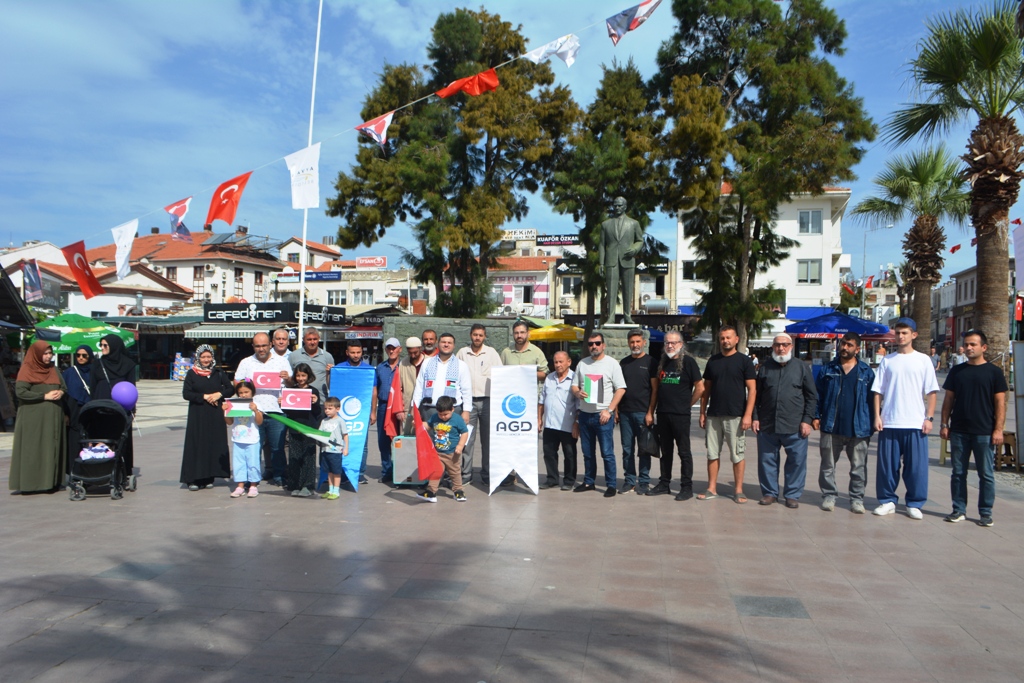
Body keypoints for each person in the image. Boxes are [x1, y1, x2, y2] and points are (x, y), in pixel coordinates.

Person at [871, 318, 939, 519]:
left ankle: (915, 503)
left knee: (916, 468)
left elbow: (932, 391)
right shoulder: (888, 360)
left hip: (915, 423)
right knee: (887, 467)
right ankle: (887, 500)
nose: (901, 336)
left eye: (905, 333)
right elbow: (877, 391)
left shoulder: (923, 360)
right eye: (898, 333)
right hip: (890, 421)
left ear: (914, 335)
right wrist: (877, 415)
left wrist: (929, 418)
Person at [940, 329, 1007, 527]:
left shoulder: (994, 372)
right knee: (958, 473)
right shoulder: (957, 371)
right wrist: (945, 424)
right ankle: (958, 509)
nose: (968, 348)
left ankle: (985, 512)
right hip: (959, 430)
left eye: (973, 345)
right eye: (967, 344)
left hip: (984, 432)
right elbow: (949, 399)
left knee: (985, 473)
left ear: (983, 347)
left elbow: (1000, 403)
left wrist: (998, 429)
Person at [813, 332, 876, 514]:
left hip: (859, 428)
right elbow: (818, 395)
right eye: (842, 344)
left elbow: (874, 400)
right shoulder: (828, 369)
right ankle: (829, 495)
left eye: (849, 345)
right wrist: (816, 416)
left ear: (857, 349)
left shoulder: (866, 372)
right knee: (827, 466)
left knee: (858, 467)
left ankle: (856, 499)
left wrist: (873, 422)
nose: (844, 348)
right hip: (831, 426)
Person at [752, 333, 817, 508]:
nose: (781, 348)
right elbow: (756, 396)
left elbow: (812, 396)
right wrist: (755, 417)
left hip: (795, 425)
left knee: (796, 461)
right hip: (768, 424)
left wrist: (807, 420)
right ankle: (769, 493)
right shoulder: (765, 368)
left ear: (791, 346)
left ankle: (792, 494)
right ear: (773, 347)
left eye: (785, 345)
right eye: (777, 345)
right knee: (767, 460)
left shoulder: (802, 367)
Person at [698, 326, 756, 502]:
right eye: (722, 338)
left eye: (728, 338)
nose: (725, 341)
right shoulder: (713, 361)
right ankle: (712, 488)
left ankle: (738, 490)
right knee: (712, 454)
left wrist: (748, 415)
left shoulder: (744, 362)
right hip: (714, 414)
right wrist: (702, 412)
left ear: (736, 339)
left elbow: (752, 390)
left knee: (737, 454)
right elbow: (705, 390)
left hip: (736, 415)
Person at [649, 331, 704, 500]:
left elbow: (700, 388)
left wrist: (687, 404)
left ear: (681, 344)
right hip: (663, 414)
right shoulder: (663, 362)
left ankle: (686, 487)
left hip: (681, 415)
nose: (670, 346)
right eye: (667, 343)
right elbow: (657, 389)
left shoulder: (688, 362)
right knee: (666, 451)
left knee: (684, 452)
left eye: (673, 343)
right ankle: (664, 483)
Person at [571, 332, 626, 497]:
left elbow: (621, 389)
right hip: (585, 415)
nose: (593, 346)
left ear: (603, 345)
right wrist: (578, 393)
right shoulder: (582, 363)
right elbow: (574, 386)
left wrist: (609, 410)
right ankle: (589, 481)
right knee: (587, 452)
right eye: (590, 344)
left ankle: (611, 484)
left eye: (597, 343)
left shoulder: (612, 364)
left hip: (603, 416)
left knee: (607, 452)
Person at [9, 341, 66, 494]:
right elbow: (21, 392)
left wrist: (60, 392)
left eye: (50, 353)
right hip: (33, 419)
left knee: (50, 448)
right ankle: (31, 483)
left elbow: (63, 386)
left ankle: (51, 482)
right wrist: (44, 396)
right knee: (33, 449)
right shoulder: (27, 369)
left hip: (52, 418)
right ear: (36, 354)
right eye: (45, 354)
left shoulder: (53, 369)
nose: (48, 357)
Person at [235, 332, 292, 486]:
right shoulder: (246, 362)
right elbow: (237, 383)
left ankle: (280, 476)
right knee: (253, 447)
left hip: (276, 411)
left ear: (270, 345)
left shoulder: (282, 361)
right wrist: (246, 383)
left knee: (277, 447)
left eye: (264, 345)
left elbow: (292, 385)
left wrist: (287, 379)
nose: (261, 349)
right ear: (253, 346)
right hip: (252, 412)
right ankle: (251, 478)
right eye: (258, 346)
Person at [180, 344, 234, 491]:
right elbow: (186, 394)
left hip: (215, 414)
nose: (206, 360)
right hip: (198, 414)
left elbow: (230, 388)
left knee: (212, 444)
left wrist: (219, 394)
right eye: (203, 357)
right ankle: (193, 479)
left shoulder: (218, 372)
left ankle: (209, 476)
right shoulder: (192, 373)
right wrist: (204, 397)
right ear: (198, 357)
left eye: (208, 356)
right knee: (197, 444)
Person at [456, 324, 503, 486]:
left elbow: (500, 375)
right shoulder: (462, 353)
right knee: (467, 439)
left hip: (488, 401)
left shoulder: (491, 353)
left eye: (480, 335)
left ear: (485, 336)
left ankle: (488, 474)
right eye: (475, 335)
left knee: (488, 440)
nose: (477, 338)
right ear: (470, 335)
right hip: (468, 403)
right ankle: (466, 474)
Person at [89, 334, 137, 473]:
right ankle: (100, 468)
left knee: (120, 438)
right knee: (101, 437)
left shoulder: (128, 364)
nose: (102, 348)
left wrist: (132, 407)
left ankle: (121, 469)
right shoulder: (98, 364)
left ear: (114, 346)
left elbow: (131, 387)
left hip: (120, 408)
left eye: (105, 345)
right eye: (101, 345)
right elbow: (93, 386)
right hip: (100, 408)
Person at [617, 329, 658, 494]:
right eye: (632, 342)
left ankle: (644, 481)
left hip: (643, 413)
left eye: (638, 341)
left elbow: (655, 390)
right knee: (627, 449)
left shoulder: (651, 362)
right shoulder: (624, 363)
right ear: (628, 343)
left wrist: (650, 412)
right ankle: (629, 481)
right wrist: (617, 410)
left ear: (644, 343)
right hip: (625, 413)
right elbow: (619, 388)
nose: (635, 345)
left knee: (644, 449)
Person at [599, 196, 645, 326]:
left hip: (628, 259)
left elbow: (640, 240)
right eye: (615, 205)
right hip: (611, 260)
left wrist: (635, 250)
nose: (617, 207)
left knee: (628, 288)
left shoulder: (633, 223)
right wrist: (601, 263)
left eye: (620, 205)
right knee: (611, 289)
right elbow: (602, 244)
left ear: (625, 207)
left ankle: (628, 316)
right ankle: (611, 317)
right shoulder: (606, 224)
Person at [412, 332, 472, 427]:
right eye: (443, 342)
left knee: (450, 440)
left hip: (453, 411)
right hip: (429, 410)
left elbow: (467, 390)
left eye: (449, 342)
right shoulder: (427, 363)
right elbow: (419, 387)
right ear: (438, 344)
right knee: (429, 441)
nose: (446, 344)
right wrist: (414, 408)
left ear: (454, 346)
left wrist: (466, 411)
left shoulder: (462, 365)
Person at [539, 351, 579, 490]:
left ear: (569, 362)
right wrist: (539, 419)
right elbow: (542, 401)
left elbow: (579, 405)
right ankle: (552, 479)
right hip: (550, 424)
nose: (558, 365)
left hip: (567, 425)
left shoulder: (575, 379)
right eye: (555, 362)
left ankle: (569, 481)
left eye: (561, 362)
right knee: (549, 453)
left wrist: (576, 423)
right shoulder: (549, 378)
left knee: (569, 454)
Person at [417, 395, 469, 503]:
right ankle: (431, 492)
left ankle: (458, 490)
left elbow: (464, 432)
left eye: (446, 414)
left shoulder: (457, 419)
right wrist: (419, 424)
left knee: (455, 472)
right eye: (440, 414)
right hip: (438, 453)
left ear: (452, 409)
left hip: (452, 453)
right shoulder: (435, 417)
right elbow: (428, 425)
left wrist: (460, 445)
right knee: (435, 472)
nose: (443, 417)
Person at [283, 363, 323, 497]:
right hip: (294, 428)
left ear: (308, 376)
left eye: (303, 375)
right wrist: (282, 403)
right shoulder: (291, 390)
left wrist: (316, 402)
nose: (300, 378)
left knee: (308, 457)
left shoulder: (313, 391)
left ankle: (308, 485)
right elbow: (287, 411)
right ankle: (295, 484)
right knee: (294, 457)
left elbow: (317, 412)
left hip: (309, 428)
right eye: (298, 375)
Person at [370, 338, 402, 484]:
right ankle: (387, 471)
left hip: (399, 407)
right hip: (383, 406)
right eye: (389, 348)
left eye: (394, 348)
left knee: (400, 440)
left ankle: (400, 472)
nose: (391, 351)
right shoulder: (380, 368)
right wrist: (373, 411)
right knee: (383, 441)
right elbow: (374, 390)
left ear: (399, 349)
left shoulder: (405, 366)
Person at [225, 380, 262, 498]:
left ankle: (253, 485)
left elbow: (259, 422)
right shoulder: (234, 404)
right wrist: (225, 411)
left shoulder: (256, 403)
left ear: (252, 392)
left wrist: (255, 410)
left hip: (252, 439)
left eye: (246, 392)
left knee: (253, 462)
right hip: (238, 439)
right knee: (238, 463)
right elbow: (229, 422)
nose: (243, 395)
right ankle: (240, 486)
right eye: (240, 392)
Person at [340, 341, 370, 485]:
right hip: (343, 412)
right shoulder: (339, 368)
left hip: (362, 411)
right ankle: (343, 472)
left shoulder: (368, 369)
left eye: (358, 352)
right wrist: (329, 373)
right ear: (347, 353)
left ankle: (360, 473)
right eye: (353, 352)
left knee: (362, 443)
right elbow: (332, 385)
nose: (356, 355)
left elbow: (374, 391)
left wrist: (373, 411)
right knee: (342, 441)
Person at [63, 345, 94, 471]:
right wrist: (65, 414)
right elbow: (64, 394)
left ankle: (90, 470)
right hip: (74, 410)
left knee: (90, 437)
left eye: (84, 355)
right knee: (74, 439)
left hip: (90, 410)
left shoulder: (94, 372)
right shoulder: (70, 373)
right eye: (78, 355)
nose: (81, 358)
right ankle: (74, 470)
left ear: (90, 356)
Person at [319, 396, 350, 500]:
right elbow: (319, 434)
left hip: (336, 451)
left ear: (337, 409)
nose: (327, 411)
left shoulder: (340, 421)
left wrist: (346, 448)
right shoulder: (324, 421)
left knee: (336, 471)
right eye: (325, 408)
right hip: (325, 450)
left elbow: (345, 435)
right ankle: (330, 489)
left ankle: (336, 491)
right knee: (329, 471)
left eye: (330, 408)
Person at [290, 326, 335, 397]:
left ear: (319, 339)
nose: (312, 342)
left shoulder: (327, 356)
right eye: (309, 339)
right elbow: (291, 378)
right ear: (303, 340)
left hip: (321, 399)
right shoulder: (293, 356)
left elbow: (332, 381)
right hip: (299, 398)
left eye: (315, 339)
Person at [394, 337, 425, 436]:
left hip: (426, 407)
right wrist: (399, 409)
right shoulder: (403, 363)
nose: (413, 355)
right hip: (408, 407)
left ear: (420, 348)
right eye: (410, 352)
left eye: (415, 352)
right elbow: (398, 388)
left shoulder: (429, 362)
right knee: (407, 438)